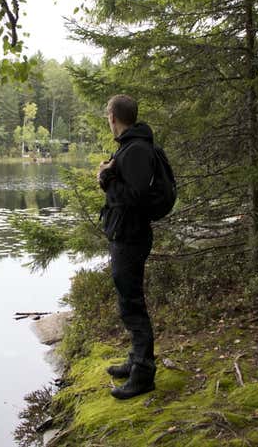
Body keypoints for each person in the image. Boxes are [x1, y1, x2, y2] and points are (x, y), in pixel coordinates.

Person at [97, 94, 156, 399]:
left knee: (132, 304)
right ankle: (135, 360)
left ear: (113, 118)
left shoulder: (135, 150)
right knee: (127, 299)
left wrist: (106, 178)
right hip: (127, 233)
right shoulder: (132, 147)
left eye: (108, 116)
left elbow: (136, 198)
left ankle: (143, 373)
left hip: (131, 235)